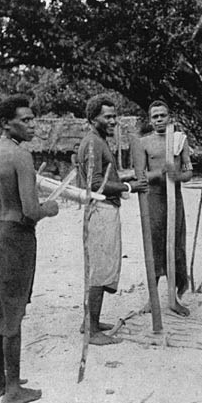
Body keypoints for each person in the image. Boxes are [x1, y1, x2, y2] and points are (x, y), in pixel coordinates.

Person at [0, 95, 59, 403]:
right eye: (26, 120)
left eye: (33, 119)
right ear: (6, 123)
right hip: (16, 239)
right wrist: (50, 208)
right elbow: (32, 210)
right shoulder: (21, 156)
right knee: (13, 311)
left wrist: (4, 212)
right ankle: (13, 391)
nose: (32, 125)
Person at [77, 94, 147, 345]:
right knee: (101, 268)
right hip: (101, 210)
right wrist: (128, 188)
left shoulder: (97, 141)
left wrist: (126, 181)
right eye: (107, 117)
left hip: (102, 209)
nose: (113, 121)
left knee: (101, 266)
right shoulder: (94, 143)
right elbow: (95, 183)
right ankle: (93, 331)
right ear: (92, 118)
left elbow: (105, 177)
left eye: (114, 116)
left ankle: (90, 321)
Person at [138, 100, 193, 316]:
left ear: (169, 116)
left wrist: (176, 176)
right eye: (155, 117)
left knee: (176, 245)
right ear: (150, 120)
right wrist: (160, 174)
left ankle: (174, 297)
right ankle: (152, 299)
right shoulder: (144, 143)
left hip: (174, 199)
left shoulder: (180, 140)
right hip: (154, 200)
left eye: (163, 115)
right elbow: (141, 175)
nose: (159, 120)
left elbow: (188, 171)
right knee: (155, 246)